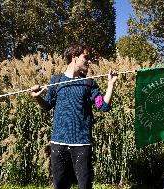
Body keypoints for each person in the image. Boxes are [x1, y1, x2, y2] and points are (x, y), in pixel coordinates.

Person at [30, 43, 118, 189]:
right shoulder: (56, 81)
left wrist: (111, 84)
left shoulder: (90, 83)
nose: (89, 61)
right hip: (59, 144)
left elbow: (102, 106)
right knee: (60, 185)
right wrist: (37, 97)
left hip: (82, 144)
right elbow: (46, 106)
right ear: (74, 57)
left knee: (84, 186)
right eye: (86, 57)